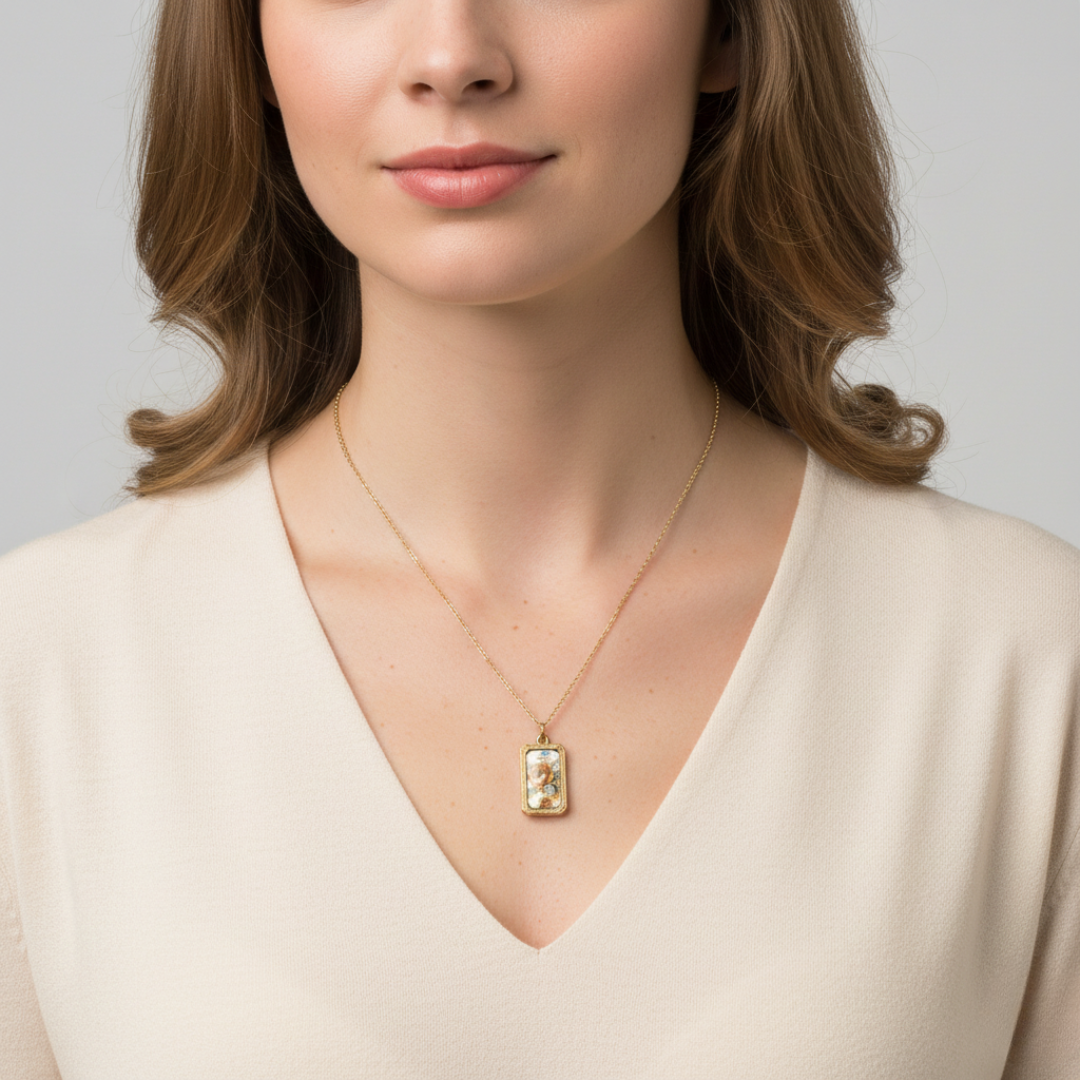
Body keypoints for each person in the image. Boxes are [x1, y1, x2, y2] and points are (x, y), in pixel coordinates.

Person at [1, 0, 1076, 1075]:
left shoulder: (1022, 657)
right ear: (250, 46)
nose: (452, 58)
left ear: (729, 29)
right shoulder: (42, 672)